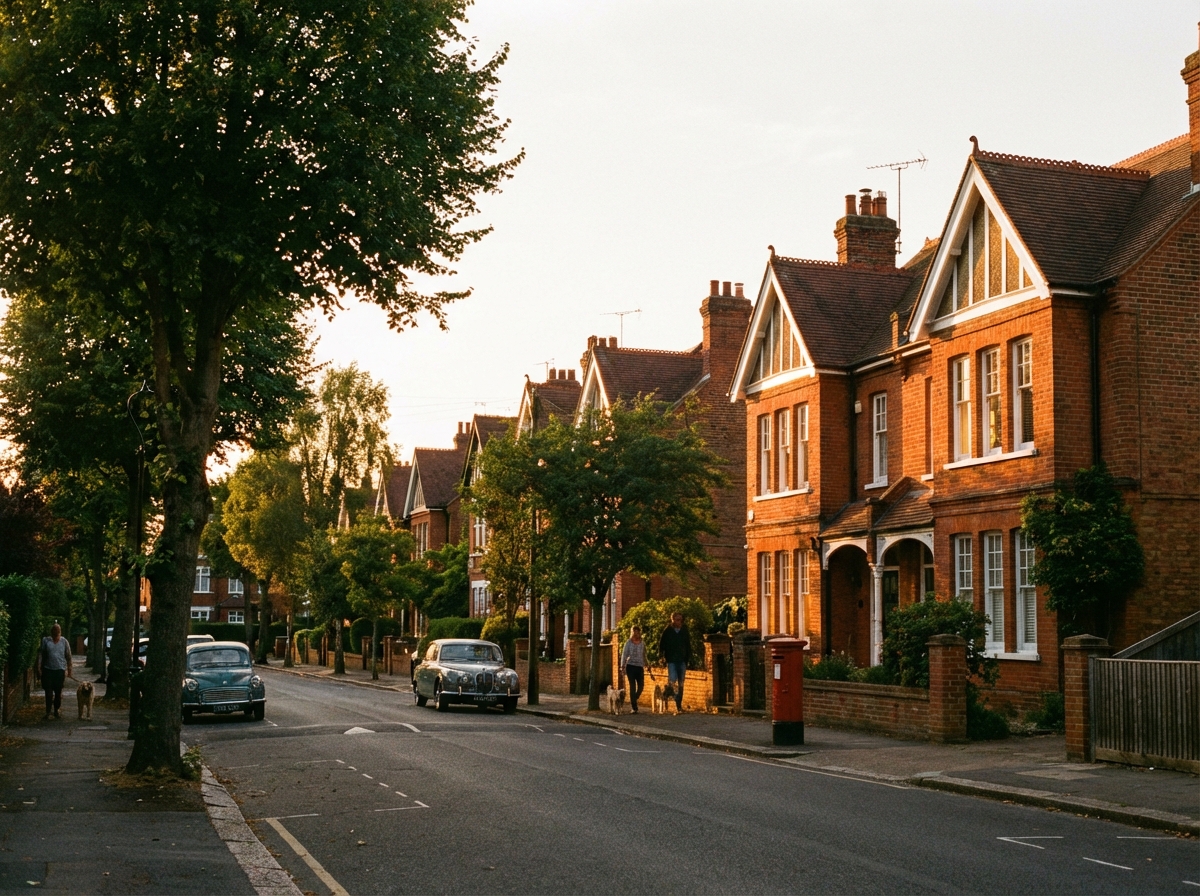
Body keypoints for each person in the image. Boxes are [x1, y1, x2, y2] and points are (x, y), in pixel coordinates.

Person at [37, 623, 72, 720]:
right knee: (48, 692)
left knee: (58, 692)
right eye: (54, 631)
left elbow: (68, 656)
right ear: (51, 632)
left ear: (60, 632)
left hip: (59, 671)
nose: (56, 633)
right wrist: (39, 667)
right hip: (48, 670)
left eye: (57, 631)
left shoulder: (64, 642)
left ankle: (56, 709)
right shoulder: (46, 641)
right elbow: (41, 654)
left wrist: (69, 669)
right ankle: (48, 711)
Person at [658, 612, 691, 713]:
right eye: (677, 620)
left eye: (681, 620)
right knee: (672, 682)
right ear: (672, 620)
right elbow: (661, 644)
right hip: (671, 660)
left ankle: (679, 706)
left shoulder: (684, 631)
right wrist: (662, 656)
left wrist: (687, 659)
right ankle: (665, 696)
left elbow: (688, 645)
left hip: (682, 660)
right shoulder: (668, 631)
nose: (679, 622)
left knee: (681, 683)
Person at [620, 626, 647, 713]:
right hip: (631, 666)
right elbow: (624, 654)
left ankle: (634, 698)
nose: (636, 634)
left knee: (641, 686)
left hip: (639, 666)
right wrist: (622, 666)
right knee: (632, 686)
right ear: (632, 632)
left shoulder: (642, 643)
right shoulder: (628, 643)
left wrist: (647, 664)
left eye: (637, 632)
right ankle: (634, 707)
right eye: (634, 632)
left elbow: (644, 655)